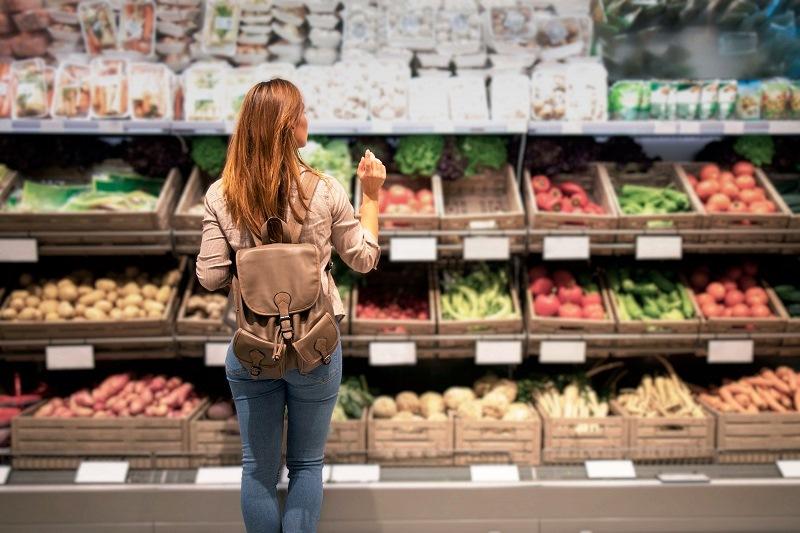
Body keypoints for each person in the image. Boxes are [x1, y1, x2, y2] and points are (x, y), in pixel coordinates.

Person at [196, 78, 385, 533]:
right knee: (305, 465)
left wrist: (250, 264)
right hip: (315, 347)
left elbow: (210, 276)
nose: (306, 119)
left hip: (253, 349)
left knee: (257, 471)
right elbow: (363, 258)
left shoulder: (222, 195)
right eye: (300, 112)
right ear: (287, 127)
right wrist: (373, 195)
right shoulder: (325, 190)